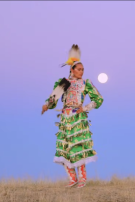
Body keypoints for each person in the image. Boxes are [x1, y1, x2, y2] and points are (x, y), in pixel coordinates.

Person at [42, 44, 104, 188]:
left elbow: (99, 99)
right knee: (64, 149)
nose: (81, 72)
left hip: (78, 118)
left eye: (83, 70)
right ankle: (72, 179)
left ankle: (82, 179)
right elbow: (53, 99)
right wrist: (46, 105)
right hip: (65, 118)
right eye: (79, 69)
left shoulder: (85, 83)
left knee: (79, 149)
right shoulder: (64, 83)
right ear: (72, 70)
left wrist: (86, 107)